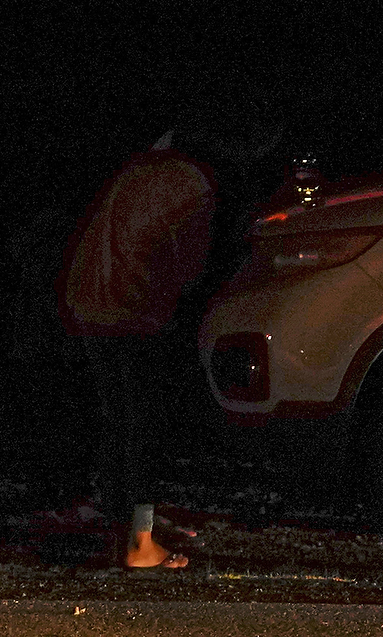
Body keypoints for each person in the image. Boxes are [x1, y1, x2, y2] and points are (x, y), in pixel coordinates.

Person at [57, 100, 284, 570]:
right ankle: (140, 542)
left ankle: (123, 523)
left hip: (89, 299)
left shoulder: (136, 171)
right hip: (135, 307)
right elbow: (191, 265)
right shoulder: (190, 182)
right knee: (143, 421)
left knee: (117, 415)